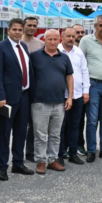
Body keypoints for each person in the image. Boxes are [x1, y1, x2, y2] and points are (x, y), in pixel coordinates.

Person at [0, 18, 35, 180]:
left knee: (21, 132)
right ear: (9, 30)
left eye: (19, 29)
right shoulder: (0, 47)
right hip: (7, 99)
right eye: (14, 29)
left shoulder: (23, 46)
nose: (17, 32)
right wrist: (0, 96)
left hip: (24, 96)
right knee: (4, 133)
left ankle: (18, 163)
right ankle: (2, 166)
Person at [30, 30, 74, 174]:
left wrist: (69, 97)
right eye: (50, 39)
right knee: (41, 135)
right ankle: (41, 161)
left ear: (59, 40)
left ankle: (53, 159)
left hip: (59, 102)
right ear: (45, 39)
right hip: (40, 102)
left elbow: (69, 78)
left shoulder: (64, 58)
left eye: (56, 39)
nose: (53, 42)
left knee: (55, 134)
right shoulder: (35, 56)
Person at [79, 15, 102, 162]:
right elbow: (81, 64)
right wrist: (84, 88)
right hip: (92, 84)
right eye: (101, 25)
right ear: (95, 26)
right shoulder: (86, 40)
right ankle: (91, 150)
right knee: (92, 119)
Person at [58, 27, 90, 165]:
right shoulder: (57, 51)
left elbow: (84, 71)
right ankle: (60, 153)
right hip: (61, 95)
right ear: (62, 36)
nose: (71, 38)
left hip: (77, 94)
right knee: (60, 126)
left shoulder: (78, 52)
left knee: (75, 125)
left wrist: (86, 91)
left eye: (73, 36)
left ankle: (72, 153)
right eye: (68, 36)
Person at [23, 17, 44, 164]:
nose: (31, 28)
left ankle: (30, 151)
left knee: (33, 123)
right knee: (19, 123)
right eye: (29, 25)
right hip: (19, 88)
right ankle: (16, 151)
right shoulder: (18, 42)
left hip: (35, 87)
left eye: (34, 26)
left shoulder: (41, 44)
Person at [72, 24, 88, 155]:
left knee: (79, 121)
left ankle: (79, 145)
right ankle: (65, 147)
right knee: (64, 123)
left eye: (82, 32)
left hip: (79, 92)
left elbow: (85, 71)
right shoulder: (61, 49)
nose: (80, 34)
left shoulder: (81, 51)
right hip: (64, 93)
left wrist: (85, 91)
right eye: (77, 32)